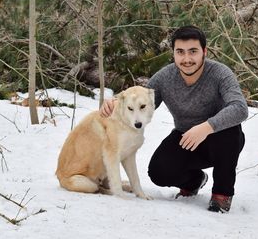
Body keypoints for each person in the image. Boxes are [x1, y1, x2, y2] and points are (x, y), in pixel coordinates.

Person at [100, 25, 248, 213]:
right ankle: (194, 180)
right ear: (174, 53)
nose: (186, 59)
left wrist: (205, 127)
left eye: (193, 52)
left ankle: (221, 195)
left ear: (204, 51)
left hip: (221, 140)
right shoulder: (164, 77)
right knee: (158, 172)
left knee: (228, 132)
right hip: (185, 138)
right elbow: (142, 99)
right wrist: (115, 103)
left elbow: (240, 108)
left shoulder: (220, 73)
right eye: (180, 52)